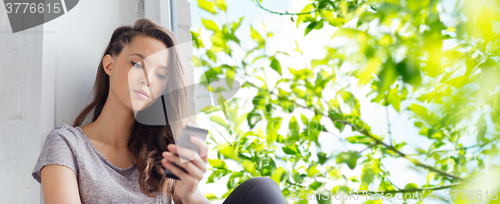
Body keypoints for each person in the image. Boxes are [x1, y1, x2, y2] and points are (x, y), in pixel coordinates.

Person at [31, 18, 287, 204]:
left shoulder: (161, 154)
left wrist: (190, 194)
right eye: (138, 64)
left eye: (160, 74)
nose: (148, 79)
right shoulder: (67, 144)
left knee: (261, 191)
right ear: (109, 64)